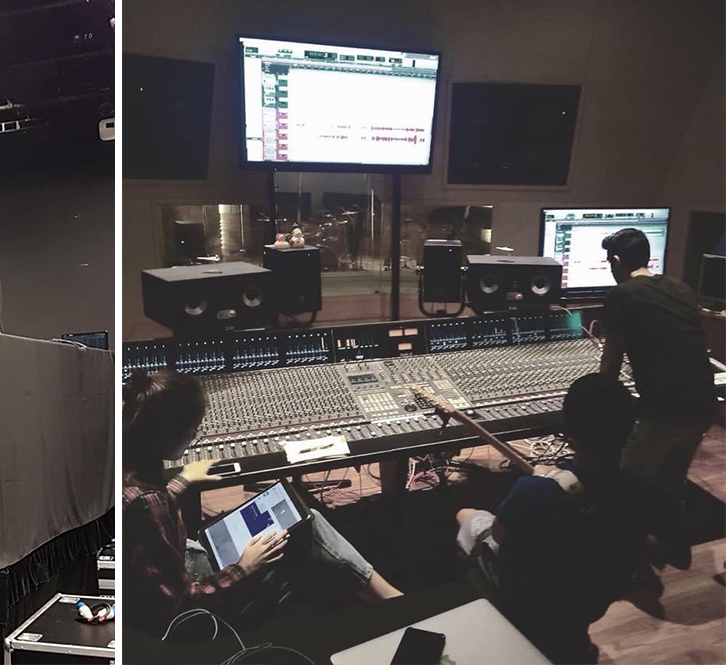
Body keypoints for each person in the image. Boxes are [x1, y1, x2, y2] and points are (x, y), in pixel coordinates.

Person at [122, 370, 401, 637]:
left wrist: (182, 481)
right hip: (193, 609)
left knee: (286, 522)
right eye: (192, 430)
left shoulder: (130, 469)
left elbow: (150, 524)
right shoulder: (147, 501)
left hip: (176, 565)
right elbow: (182, 608)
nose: (194, 436)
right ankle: (392, 604)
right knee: (307, 526)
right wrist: (245, 567)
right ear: (168, 432)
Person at [455, 374, 682, 664]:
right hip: (594, 597)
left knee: (466, 515)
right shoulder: (652, 488)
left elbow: (499, 536)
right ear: (631, 430)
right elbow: (678, 556)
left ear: (569, 429)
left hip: (530, 599)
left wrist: (548, 483)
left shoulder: (533, 491)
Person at [598, 228, 717, 502]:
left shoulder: (622, 294)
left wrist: (596, 407)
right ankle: (667, 536)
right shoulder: (681, 289)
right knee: (671, 485)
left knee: (623, 487)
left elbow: (611, 365)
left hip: (666, 410)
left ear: (616, 261)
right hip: (704, 405)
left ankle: (627, 540)